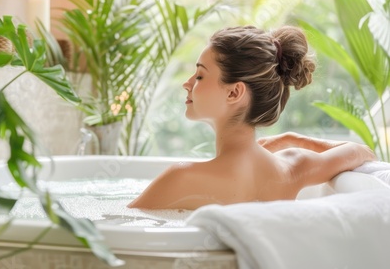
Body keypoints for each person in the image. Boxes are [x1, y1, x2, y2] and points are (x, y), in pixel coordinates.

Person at [128, 25, 376, 210]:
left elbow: (113, 240)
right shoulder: (293, 168)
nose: (187, 83)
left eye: (200, 76)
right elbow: (360, 151)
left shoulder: (181, 178)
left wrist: (285, 139)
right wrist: (292, 139)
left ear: (235, 92)